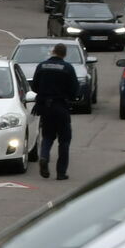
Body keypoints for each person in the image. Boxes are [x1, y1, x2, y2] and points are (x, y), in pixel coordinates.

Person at [32, 42, 78, 181]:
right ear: (64, 54)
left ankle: (44, 157)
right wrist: (70, 97)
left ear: (53, 51)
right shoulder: (68, 68)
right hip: (61, 107)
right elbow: (74, 90)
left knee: (47, 136)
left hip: (45, 108)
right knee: (64, 140)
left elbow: (34, 87)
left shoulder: (42, 66)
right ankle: (61, 173)